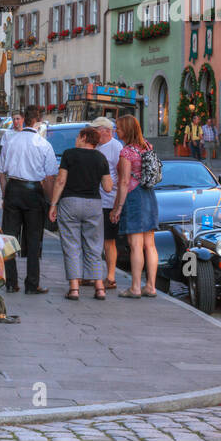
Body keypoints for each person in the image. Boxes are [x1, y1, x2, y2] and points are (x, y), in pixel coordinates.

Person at [0, 104, 58, 294]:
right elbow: (49, 178)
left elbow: (1, 172)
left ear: (24, 118)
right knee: (33, 239)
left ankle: (11, 282)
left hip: (14, 188)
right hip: (33, 191)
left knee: (9, 237)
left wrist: (5, 194)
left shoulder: (11, 141)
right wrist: (50, 201)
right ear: (38, 121)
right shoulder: (43, 144)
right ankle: (32, 283)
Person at [49, 126, 113, 301]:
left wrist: (53, 204)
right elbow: (108, 187)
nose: (76, 139)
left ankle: (74, 289)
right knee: (94, 245)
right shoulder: (101, 158)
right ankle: (99, 288)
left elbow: (61, 180)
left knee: (71, 244)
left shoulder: (69, 154)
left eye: (78, 136)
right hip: (93, 204)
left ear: (84, 137)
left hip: (70, 202)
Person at [112, 114, 159, 299]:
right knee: (150, 245)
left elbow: (123, 182)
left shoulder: (127, 152)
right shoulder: (147, 146)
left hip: (134, 198)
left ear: (128, 130)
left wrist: (118, 208)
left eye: (119, 128)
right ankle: (151, 286)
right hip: (149, 195)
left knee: (135, 245)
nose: (117, 131)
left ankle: (135, 288)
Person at [92, 117, 123, 289]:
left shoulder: (116, 147)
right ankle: (93, 275)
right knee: (93, 239)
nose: (94, 133)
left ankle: (111, 276)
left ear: (106, 130)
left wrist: (117, 204)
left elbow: (120, 175)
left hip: (109, 200)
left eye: (96, 129)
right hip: (93, 199)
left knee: (109, 241)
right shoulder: (95, 146)